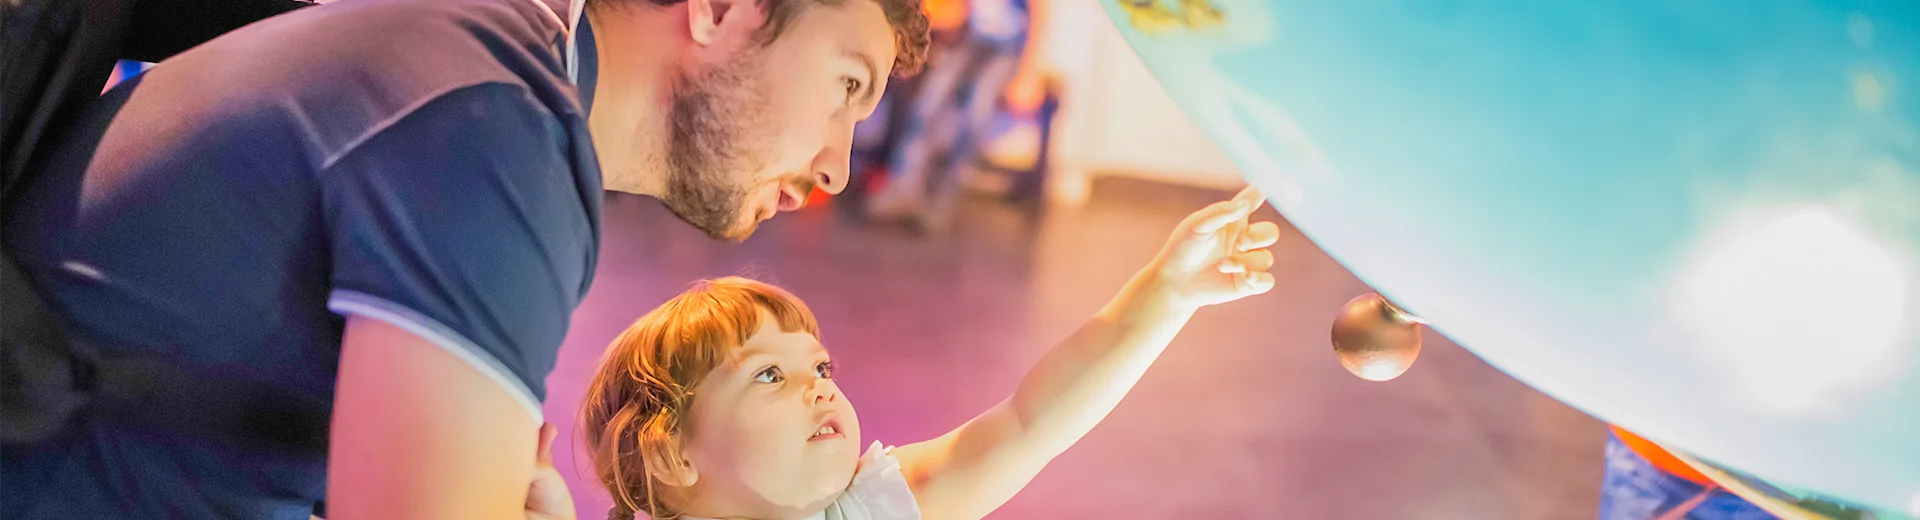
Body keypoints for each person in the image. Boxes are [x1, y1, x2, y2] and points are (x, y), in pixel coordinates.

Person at [0, 0, 930, 517]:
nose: (839, 166)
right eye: (847, 85)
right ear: (724, 9)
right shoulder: (500, 137)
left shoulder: (490, 46)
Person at [580, 187, 1279, 519]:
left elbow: (1029, 424)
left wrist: (1163, 294)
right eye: (769, 374)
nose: (821, 388)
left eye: (820, 367)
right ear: (671, 452)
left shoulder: (867, 513)